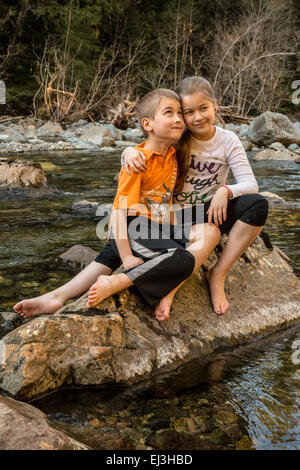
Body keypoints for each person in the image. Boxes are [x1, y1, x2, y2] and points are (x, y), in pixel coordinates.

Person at [14, 88, 220, 321]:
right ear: (148, 124)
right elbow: (120, 213)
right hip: (134, 227)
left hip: (155, 227)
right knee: (182, 259)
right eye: (169, 113)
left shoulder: (172, 154)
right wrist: (128, 257)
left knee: (210, 231)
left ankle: (57, 296)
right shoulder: (138, 162)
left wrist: (127, 149)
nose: (178, 119)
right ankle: (115, 282)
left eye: (180, 114)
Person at [122, 76, 269, 318]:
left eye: (204, 108)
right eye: (189, 112)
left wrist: (226, 190)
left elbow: (250, 184)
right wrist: (127, 152)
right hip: (174, 217)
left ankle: (217, 274)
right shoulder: (177, 137)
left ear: (215, 107)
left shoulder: (228, 140)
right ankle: (170, 290)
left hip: (211, 211)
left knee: (258, 205)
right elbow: (145, 152)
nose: (198, 117)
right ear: (181, 114)